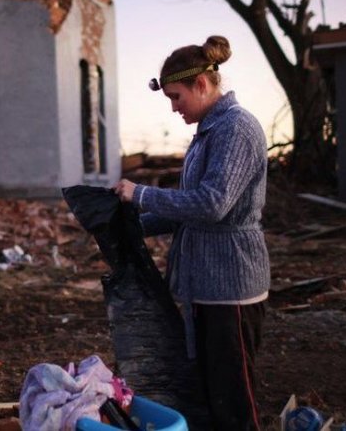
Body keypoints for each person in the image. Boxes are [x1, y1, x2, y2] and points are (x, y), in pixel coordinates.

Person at [114, 35, 269, 431]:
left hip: (231, 284)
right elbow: (188, 208)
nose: (173, 107)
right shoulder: (208, 131)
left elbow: (212, 204)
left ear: (202, 84)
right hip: (204, 284)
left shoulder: (236, 129)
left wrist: (142, 195)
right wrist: (129, 226)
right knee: (209, 388)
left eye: (177, 96)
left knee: (234, 394)